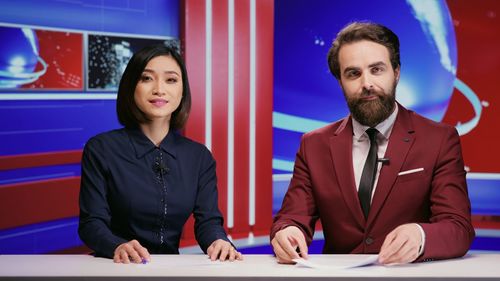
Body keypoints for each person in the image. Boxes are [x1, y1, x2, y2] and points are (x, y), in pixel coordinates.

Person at [270, 22, 475, 265]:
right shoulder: (313, 144)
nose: (366, 83)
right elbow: (292, 217)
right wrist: (287, 233)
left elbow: (458, 227)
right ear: (340, 82)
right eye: (353, 73)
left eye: (376, 70)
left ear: (396, 72)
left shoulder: (440, 139)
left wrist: (420, 235)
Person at [79, 44, 242, 263]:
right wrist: (116, 246)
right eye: (146, 78)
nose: (159, 89)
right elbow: (91, 223)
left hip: (169, 270)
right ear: (131, 86)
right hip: (116, 267)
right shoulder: (101, 148)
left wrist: (219, 242)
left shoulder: (199, 156)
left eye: (171, 80)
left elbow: (208, 223)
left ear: (182, 90)